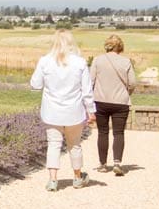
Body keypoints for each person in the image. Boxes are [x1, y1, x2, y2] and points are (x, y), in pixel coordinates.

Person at [30, 29, 96, 191]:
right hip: (74, 112)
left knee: (53, 144)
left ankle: (53, 180)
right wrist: (91, 111)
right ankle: (77, 177)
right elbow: (87, 91)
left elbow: (35, 84)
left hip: (52, 112)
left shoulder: (45, 61)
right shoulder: (80, 63)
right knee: (75, 145)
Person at [90, 34, 136, 176]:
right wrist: (127, 93)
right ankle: (117, 163)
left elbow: (90, 81)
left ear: (107, 45)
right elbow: (132, 83)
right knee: (118, 133)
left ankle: (103, 165)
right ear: (120, 47)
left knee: (102, 132)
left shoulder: (97, 60)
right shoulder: (126, 61)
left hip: (101, 101)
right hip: (121, 102)